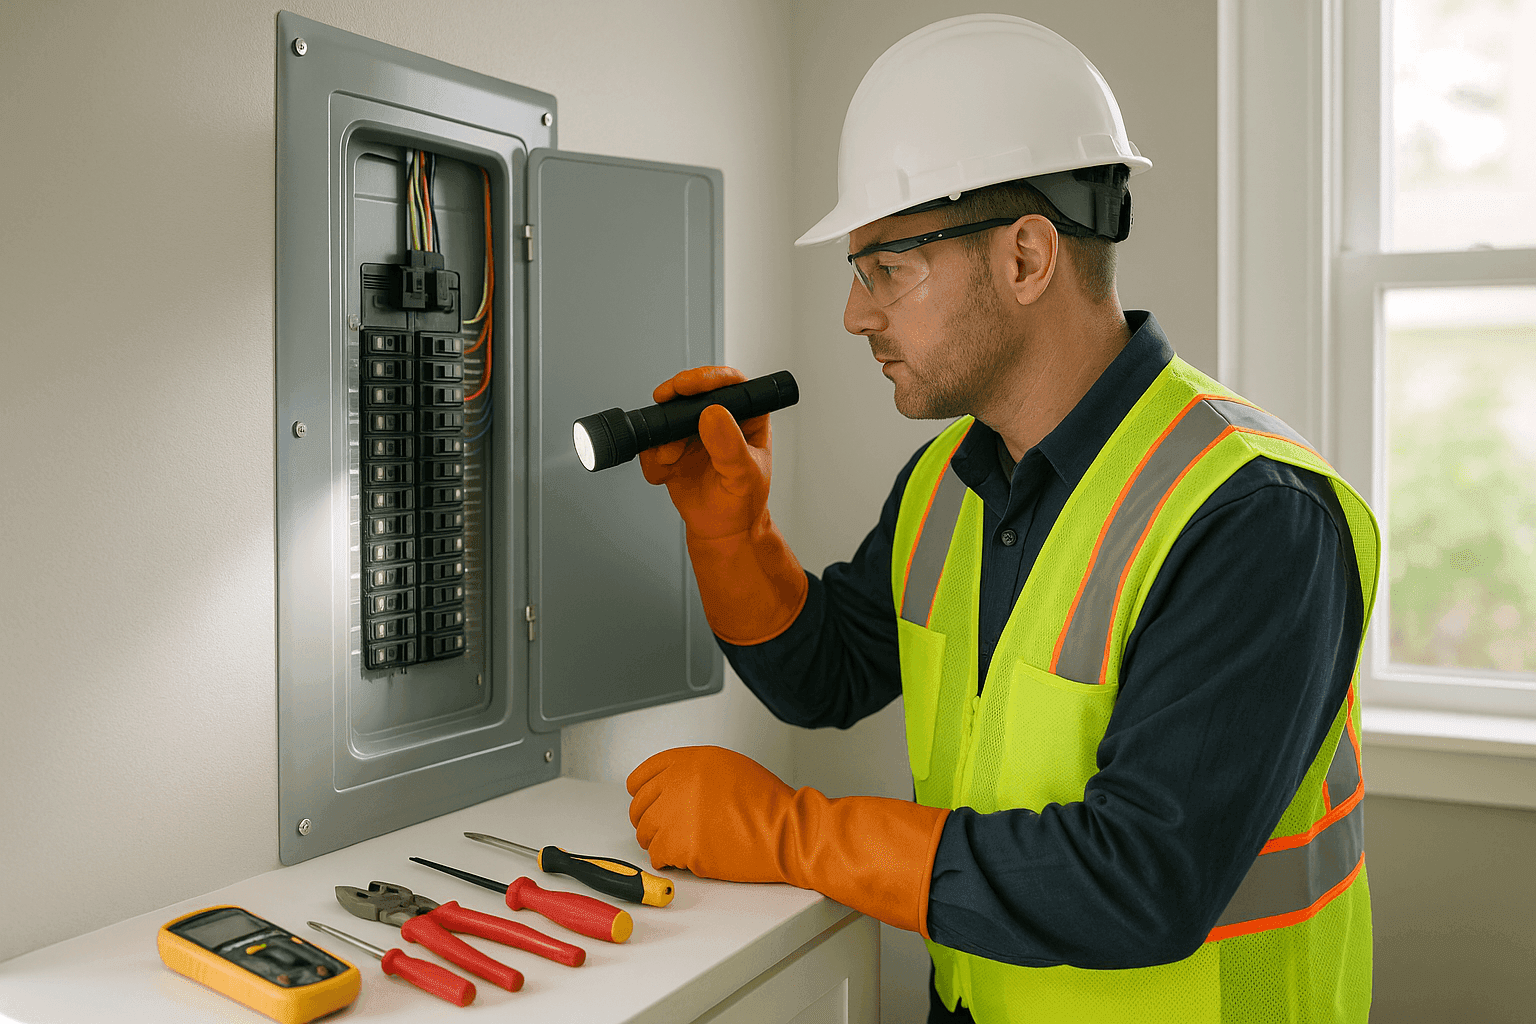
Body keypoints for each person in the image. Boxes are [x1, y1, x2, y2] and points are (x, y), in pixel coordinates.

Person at [624, 14, 1377, 1024]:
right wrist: (730, 532)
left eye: (886, 267)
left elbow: (1140, 879)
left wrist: (790, 833)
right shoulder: (949, 480)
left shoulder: (1254, 517)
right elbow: (831, 672)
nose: (855, 314)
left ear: (1026, 258)